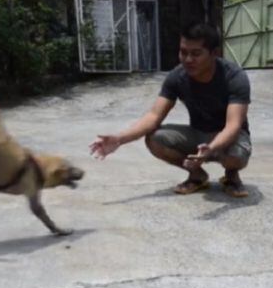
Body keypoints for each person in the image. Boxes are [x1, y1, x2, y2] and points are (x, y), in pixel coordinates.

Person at [89, 22, 252, 198]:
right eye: (183, 52)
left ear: (214, 53)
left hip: (228, 137)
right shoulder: (177, 77)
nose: (188, 59)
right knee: (155, 138)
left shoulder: (234, 76)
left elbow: (233, 126)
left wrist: (211, 148)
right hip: (198, 134)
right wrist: (120, 139)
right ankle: (197, 175)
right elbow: (153, 116)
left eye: (196, 54)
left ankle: (231, 175)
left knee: (236, 156)